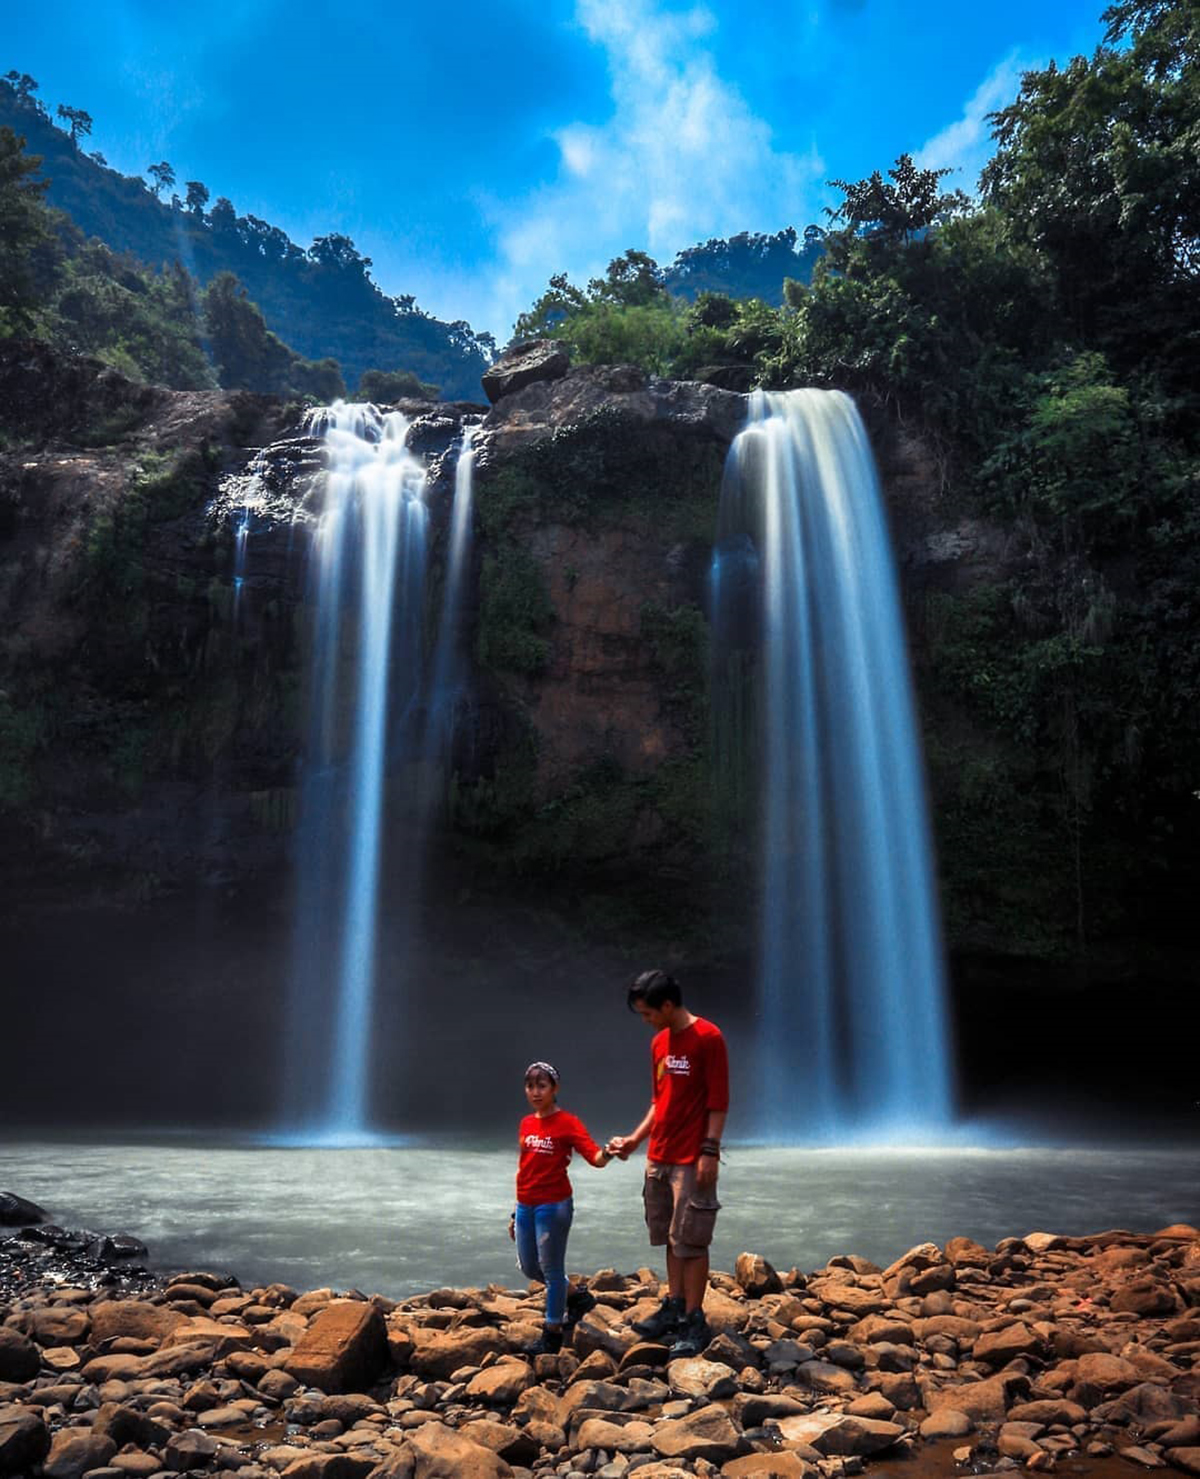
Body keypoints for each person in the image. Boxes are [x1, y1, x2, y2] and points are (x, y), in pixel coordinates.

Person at [606, 969, 729, 1357]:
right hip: (659, 1154)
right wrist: (633, 1140)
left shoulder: (709, 1038)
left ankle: (695, 1319)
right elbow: (659, 1102)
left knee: (691, 1237)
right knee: (670, 1236)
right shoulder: (660, 1043)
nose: (646, 1021)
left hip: (692, 1156)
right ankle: (674, 1305)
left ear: (668, 1005)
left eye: (648, 1014)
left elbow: (718, 1101)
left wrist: (710, 1150)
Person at [510, 1060, 611, 1354]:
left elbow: (594, 1157)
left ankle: (552, 1332)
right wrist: (515, 1212)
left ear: (555, 1089)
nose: (535, 1092)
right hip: (525, 1205)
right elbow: (525, 1168)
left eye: (542, 1086)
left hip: (553, 1206)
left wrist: (611, 1151)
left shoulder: (568, 1123)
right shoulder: (526, 1123)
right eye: (530, 1086)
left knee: (552, 1270)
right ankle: (577, 1297)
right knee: (530, 1267)